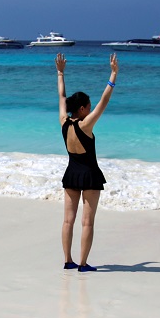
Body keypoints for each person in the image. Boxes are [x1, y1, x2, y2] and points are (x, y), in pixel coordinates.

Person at [56, 52, 118, 272]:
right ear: (82, 109)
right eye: (88, 106)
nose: (91, 109)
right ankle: (82, 264)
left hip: (71, 173)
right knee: (87, 222)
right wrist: (113, 75)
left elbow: (61, 97)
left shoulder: (64, 122)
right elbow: (104, 101)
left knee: (67, 221)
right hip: (89, 175)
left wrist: (60, 73)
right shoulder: (85, 125)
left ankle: (68, 260)